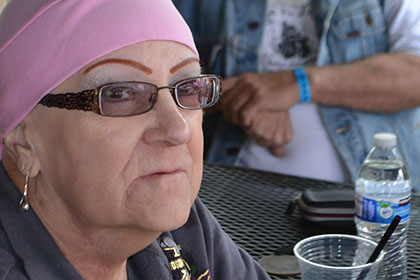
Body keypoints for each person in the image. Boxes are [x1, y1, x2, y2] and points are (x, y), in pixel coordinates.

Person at [0, 0, 271, 279]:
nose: (178, 130)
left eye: (188, 88)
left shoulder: (181, 229)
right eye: (121, 94)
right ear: (24, 143)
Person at [173, 0, 420, 192]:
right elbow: (152, 85)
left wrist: (296, 84)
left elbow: (414, 76)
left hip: (369, 203)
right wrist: (240, 98)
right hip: (227, 196)